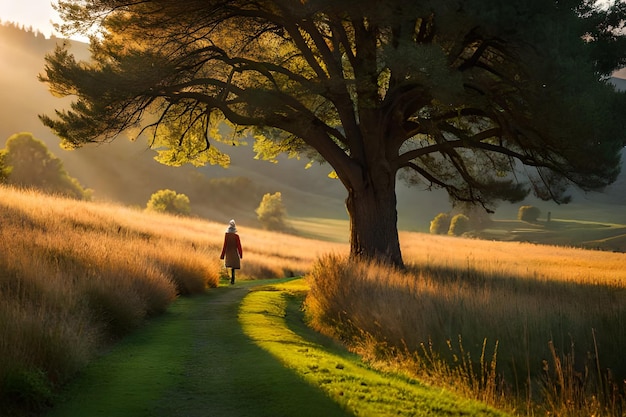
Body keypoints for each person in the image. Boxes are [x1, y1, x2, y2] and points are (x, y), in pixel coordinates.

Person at [219, 219, 243, 284]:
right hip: (234, 252)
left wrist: (222, 255)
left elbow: (225, 245)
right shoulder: (236, 236)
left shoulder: (227, 235)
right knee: (233, 266)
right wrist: (240, 254)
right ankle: (232, 279)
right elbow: (239, 246)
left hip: (228, 252)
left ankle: (231, 279)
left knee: (229, 265)